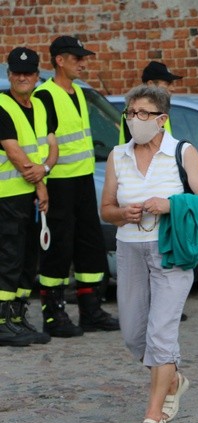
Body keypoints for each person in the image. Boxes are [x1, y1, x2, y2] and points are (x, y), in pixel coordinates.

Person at [101, 85, 198, 423]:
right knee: (135, 335)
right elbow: (105, 210)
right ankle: (174, 379)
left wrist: (170, 205)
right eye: (130, 113)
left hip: (171, 249)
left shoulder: (182, 152)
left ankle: (154, 417)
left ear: (162, 119)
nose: (135, 120)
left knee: (161, 332)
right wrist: (123, 212)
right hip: (130, 249)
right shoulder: (117, 156)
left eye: (143, 113)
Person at [32, 36, 119, 337]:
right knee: (58, 248)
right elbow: (42, 143)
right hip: (57, 183)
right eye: (77, 57)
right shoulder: (44, 95)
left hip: (83, 180)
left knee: (90, 245)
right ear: (59, 60)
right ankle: (53, 315)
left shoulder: (79, 93)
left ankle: (90, 310)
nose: (84, 62)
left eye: (84, 57)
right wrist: (41, 184)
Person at [0, 47, 56, 347]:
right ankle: (0, 321)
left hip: (30, 198)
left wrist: (45, 169)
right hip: (6, 196)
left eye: (28, 73)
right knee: (7, 258)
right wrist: (40, 183)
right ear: (9, 75)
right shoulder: (1, 105)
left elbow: (51, 145)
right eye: (17, 72)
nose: (22, 77)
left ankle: (17, 317)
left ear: (37, 75)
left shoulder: (39, 106)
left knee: (26, 260)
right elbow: (14, 151)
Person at [118, 61, 181, 144]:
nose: (173, 88)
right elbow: (139, 150)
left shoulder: (162, 107)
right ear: (151, 84)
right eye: (167, 83)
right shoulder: (134, 112)